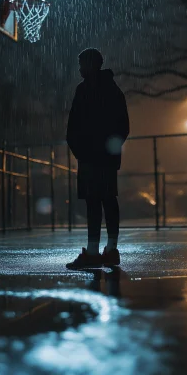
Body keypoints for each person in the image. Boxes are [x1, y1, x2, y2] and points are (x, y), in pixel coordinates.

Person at [66, 48, 129, 269]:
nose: (80, 68)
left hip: (90, 157)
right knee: (108, 200)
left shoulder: (84, 91)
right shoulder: (113, 90)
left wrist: (81, 151)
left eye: (82, 64)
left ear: (91, 65)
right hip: (104, 157)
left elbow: (73, 128)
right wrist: (110, 148)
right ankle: (110, 249)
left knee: (94, 202)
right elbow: (123, 126)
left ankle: (93, 251)